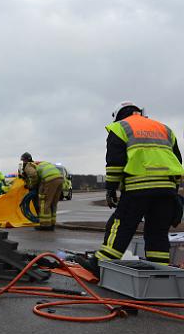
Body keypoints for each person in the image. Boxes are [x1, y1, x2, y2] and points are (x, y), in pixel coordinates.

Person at [78, 102, 183, 273]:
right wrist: (174, 191)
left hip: (138, 187)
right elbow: (177, 161)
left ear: (119, 115)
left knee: (121, 224)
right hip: (167, 189)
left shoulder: (120, 128)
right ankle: (161, 272)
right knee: (157, 231)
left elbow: (114, 164)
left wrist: (111, 189)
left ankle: (100, 265)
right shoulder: (164, 128)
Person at [20, 153, 63, 230]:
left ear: (24, 160)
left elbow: (33, 175)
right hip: (60, 178)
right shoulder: (39, 163)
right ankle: (52, 224)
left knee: (44, 203)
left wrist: (31, 185)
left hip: (49, 179)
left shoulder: (28, 165)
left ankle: (45, 225)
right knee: (53, 203)